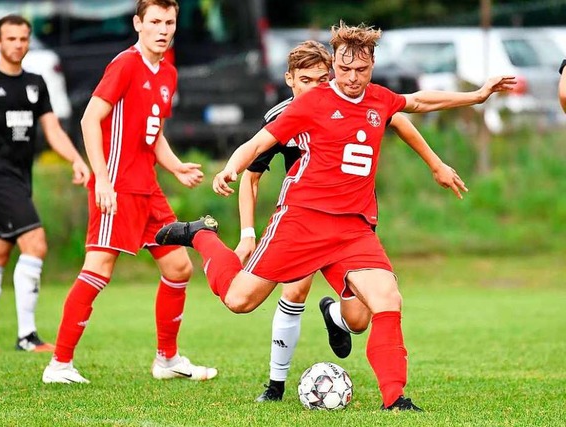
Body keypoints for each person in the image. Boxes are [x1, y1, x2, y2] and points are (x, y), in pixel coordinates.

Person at [156, 21, 516, 410]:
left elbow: (419, 100)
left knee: (384, 301)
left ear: (372, 65)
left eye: (360, 70)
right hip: (301, 221)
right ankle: (201, 236)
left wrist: (476, 96)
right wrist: (231, 167)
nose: (351, 78)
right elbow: (261, 140)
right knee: (240, 300)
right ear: (335, 66)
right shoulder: (311, 103)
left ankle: (395, 400)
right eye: (344, 70)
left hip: (354, 229)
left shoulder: (379, 99)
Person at [241, 41, 470, 403]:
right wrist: (247, 231)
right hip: (304, 221)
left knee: (361, 318)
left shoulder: (360, 100)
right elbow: (251, 172)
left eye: (321, 78)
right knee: (292, 290)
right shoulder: (286, 115)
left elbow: (404, 116)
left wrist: (436, 163)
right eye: (305, 80)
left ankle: (335, 315)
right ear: (289, 80)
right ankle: (275, 386)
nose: (316, 86)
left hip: (353, 221)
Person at [42, 0, 216, 384]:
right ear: (138, 23)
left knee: (179, 267)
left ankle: (167, 360)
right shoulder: (125, 64)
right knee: (98, 269)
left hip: (147, 188)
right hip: (116, 187)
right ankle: (59, 365)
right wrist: (101, 180)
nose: (163, 28)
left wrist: (175, 166)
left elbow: (153, 135)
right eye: (155, 21)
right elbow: (90, 120)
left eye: (169, 22)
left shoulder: (168, 72)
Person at [0, 14, 90, 353]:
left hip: (21, 179)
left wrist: (76, 159)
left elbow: (52, 129)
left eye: (23, 38)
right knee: (35, 243)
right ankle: (27, 336)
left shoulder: (36, 83)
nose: (18, 45)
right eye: (11, 39)